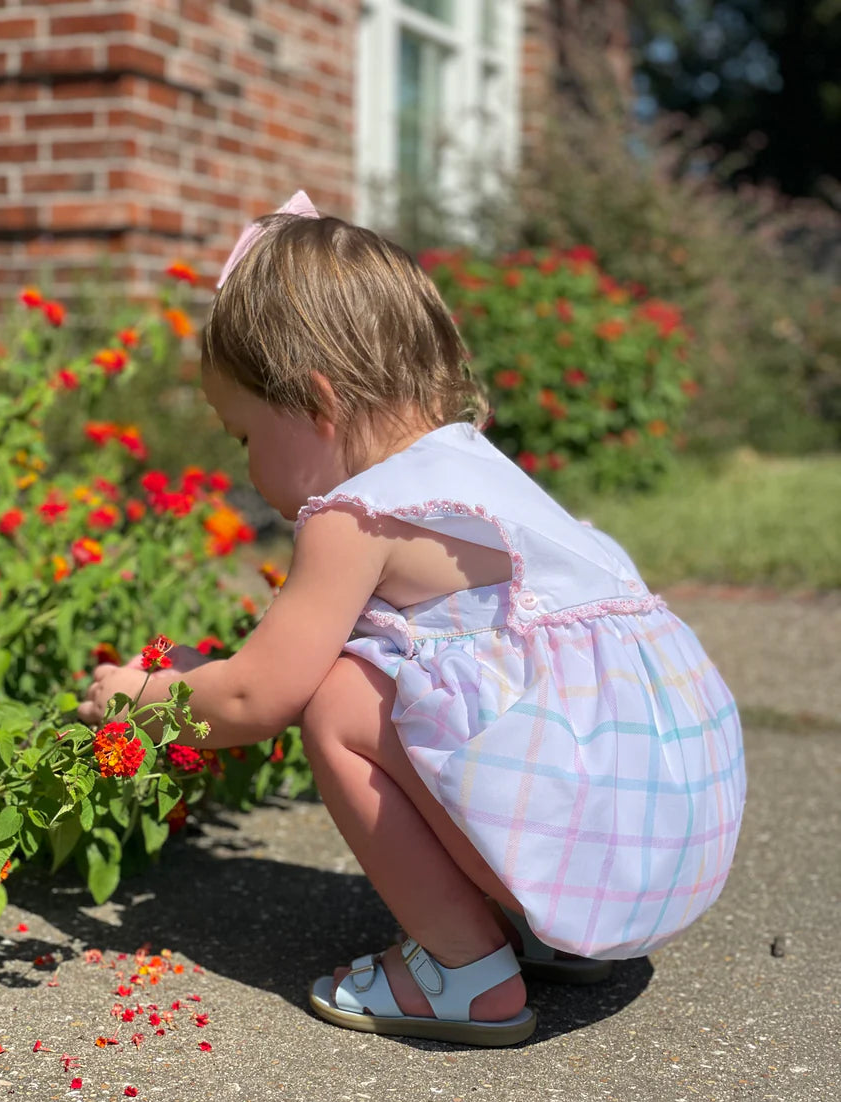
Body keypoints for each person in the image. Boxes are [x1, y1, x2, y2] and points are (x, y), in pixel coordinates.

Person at [78, 192, 747, 1048]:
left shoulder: (358, 512)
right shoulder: (468, 464)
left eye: (242, 437)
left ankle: (466, 975)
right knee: (410, 683)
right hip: (653, 854)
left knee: (341, 701)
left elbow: (256, 698)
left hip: (593, 858)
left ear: (316, 405)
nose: (244, 465)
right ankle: (541, 929)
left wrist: (146, 696)